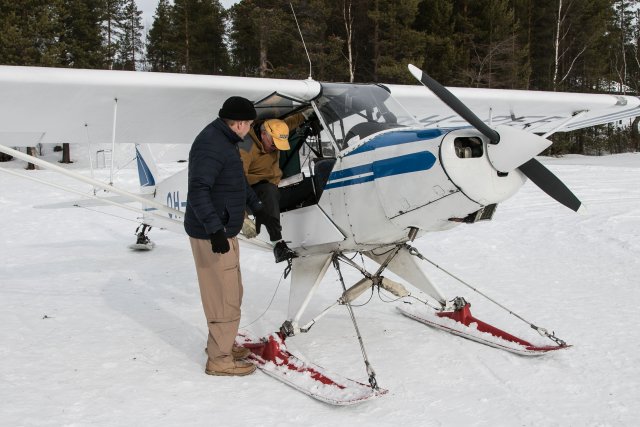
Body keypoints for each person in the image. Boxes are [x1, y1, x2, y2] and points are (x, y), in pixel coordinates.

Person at [184, 96, 280, 377]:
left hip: (225, 228)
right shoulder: (212, 146)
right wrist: (214, 230)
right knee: (223, 297)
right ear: (238, 123)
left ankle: (221, 344)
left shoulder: (226, 142)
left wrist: (259, 209)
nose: (250, 128)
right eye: (249, 124)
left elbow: (237, 181)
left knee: (233, 291)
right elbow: (198, 191)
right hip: (212, 233)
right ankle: (220, 360)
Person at [240, 116, 304, 263]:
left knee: (306, 188)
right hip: (249, 192)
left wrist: (307, 113)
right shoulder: (245, 147)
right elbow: (235, 182)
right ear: (263, 135)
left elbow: (292, 121)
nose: (275, 148)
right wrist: (242, 217)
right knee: (268, 191)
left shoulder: (275, 129)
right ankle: (278, 244)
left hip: (273, 185)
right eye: (274, 144)